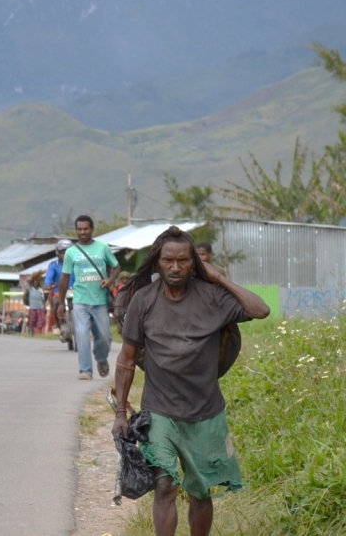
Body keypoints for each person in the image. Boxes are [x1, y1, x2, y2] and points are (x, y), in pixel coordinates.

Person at [112, 226, 269, 536]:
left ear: (195, 263)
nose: (175, 267)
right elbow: (126, 360)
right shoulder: (143, 302)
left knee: (200, 492)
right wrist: (120, 412)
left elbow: (260, 310)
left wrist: (219, 278)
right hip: (160, 412)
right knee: (166, 486)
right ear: (157, 261)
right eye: (168, 260)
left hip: (206, 413)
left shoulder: (213, 297)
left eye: (183, 260)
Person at [56, 215, 120, 380]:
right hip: (80, 301)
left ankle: (101, 358)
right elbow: (64, 278)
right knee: (82, 334)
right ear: (76, 230)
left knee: (105, 337)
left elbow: (116, 266)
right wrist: (61, 303)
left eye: (86, 229)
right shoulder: (71, 252)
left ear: (92, 229)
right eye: (79, 229)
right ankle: (85, 370)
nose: (83, 232)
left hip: (99, 301)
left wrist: (110, 279)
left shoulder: (102, 248)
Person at [44, 239, 75, 336]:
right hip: (59, 291)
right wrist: (47, 284)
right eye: (63, 252)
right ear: (58, 253)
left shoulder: (77, 263)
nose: (66, 254)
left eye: (68, 252)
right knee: (56, 304)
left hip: (76, 290)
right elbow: (48, 278)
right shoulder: (54, 265)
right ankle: (57, 325)